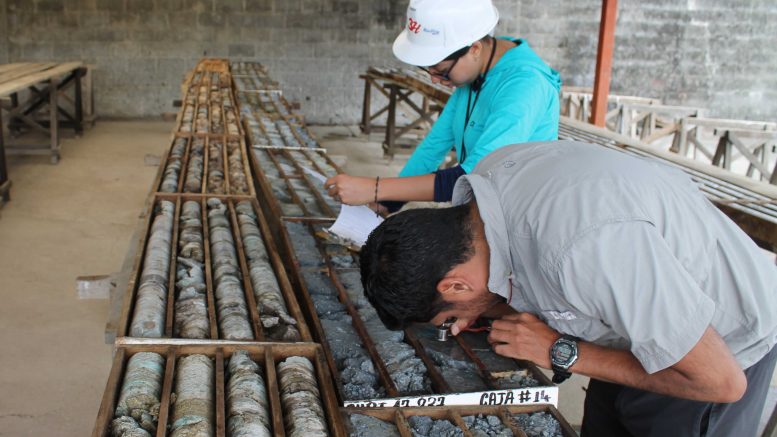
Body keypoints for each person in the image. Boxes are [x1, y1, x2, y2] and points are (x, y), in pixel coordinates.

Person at [360, 140, 777, 436]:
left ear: (455, 282)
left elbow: (721, 382)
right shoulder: (488, 189)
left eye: (451, 315)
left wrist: (561, 351)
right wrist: (488, 311)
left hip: (719, 343)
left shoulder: (588, 251)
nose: (460, 322)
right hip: (631, 315)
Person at [325, 0, 561, 210]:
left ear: (475, 49)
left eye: (441, 72)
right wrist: (386, 202)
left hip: (518, 217)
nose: (435, 80)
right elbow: (434, 145)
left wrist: (376, 188)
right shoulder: (477, 73)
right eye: (428, 71)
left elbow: (473, 175)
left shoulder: (525, 85)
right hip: (483, 206)